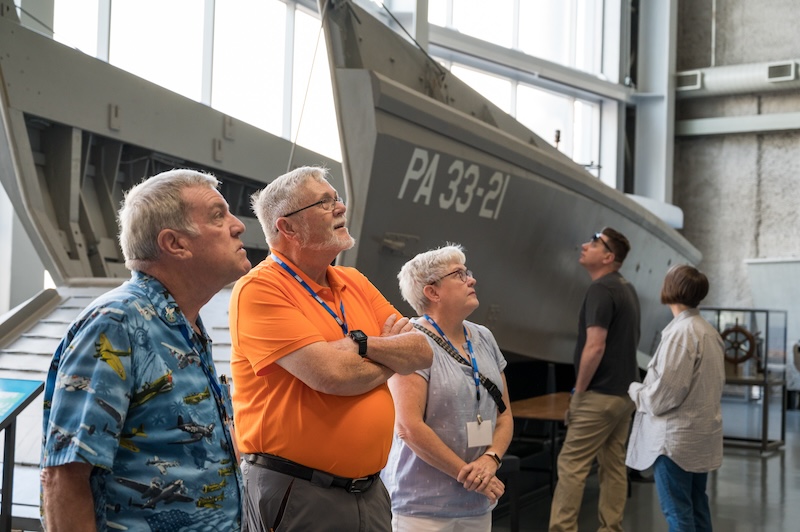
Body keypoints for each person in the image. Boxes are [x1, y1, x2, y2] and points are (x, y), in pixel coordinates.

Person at [40, 169, 251, 531]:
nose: (238, 226)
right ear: (175, 244)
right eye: (218, 215)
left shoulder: (184, 326)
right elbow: (65, 476)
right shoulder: (118, 323)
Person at [229, 165, 433, 532]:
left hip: (370, 491)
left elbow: (421, 351)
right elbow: (332, 376)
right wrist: (387, 353)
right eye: (324, 202)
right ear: (287, 227)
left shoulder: (353, 280)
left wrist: (361, 344)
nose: (340, 208)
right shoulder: (260, 290)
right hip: (300, 491)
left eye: (336, 198)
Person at [382, 244, 513, 531]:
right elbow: (409, 427)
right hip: (421, 508)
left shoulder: (483, 337)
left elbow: (504, 415)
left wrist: (490, 460)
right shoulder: (411, 342)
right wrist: (469, 475)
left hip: (477, 502)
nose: (471, 280)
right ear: (432, 292)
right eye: (459, 274)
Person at [549, 227, 641, 532]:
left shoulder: (601, 289)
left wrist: (579, 390)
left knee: (571, 464)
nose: (585, 245)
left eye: (594, 242)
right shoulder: (626, 288)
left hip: (599, 395)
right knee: (613, 464)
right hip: (624, 395)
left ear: (608, 256)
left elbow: (595, 345)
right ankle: (610, 528)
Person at [626, 265, 725, 531]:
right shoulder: (708, 331)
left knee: (678, 513)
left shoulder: (682, 334)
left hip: (675, 444)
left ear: (670, 289)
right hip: (698, 438)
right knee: (697, 507)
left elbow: (663, 397)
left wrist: (635, 390)